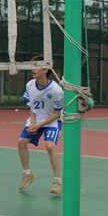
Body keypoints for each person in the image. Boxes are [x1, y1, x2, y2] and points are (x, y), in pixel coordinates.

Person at [17, 54, 64, 195]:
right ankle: (28, 174)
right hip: (36, 119)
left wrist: (39, 125)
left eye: (37, 66)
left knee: (50, 146)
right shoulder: (30, 85)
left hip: (52, 120)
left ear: (46, 70)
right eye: (33, 66)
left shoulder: (56, 90)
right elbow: (32, 107)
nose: (33, 69)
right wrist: (33, 123)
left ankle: (57, 182)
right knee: (21, 142)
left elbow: (57, 114)